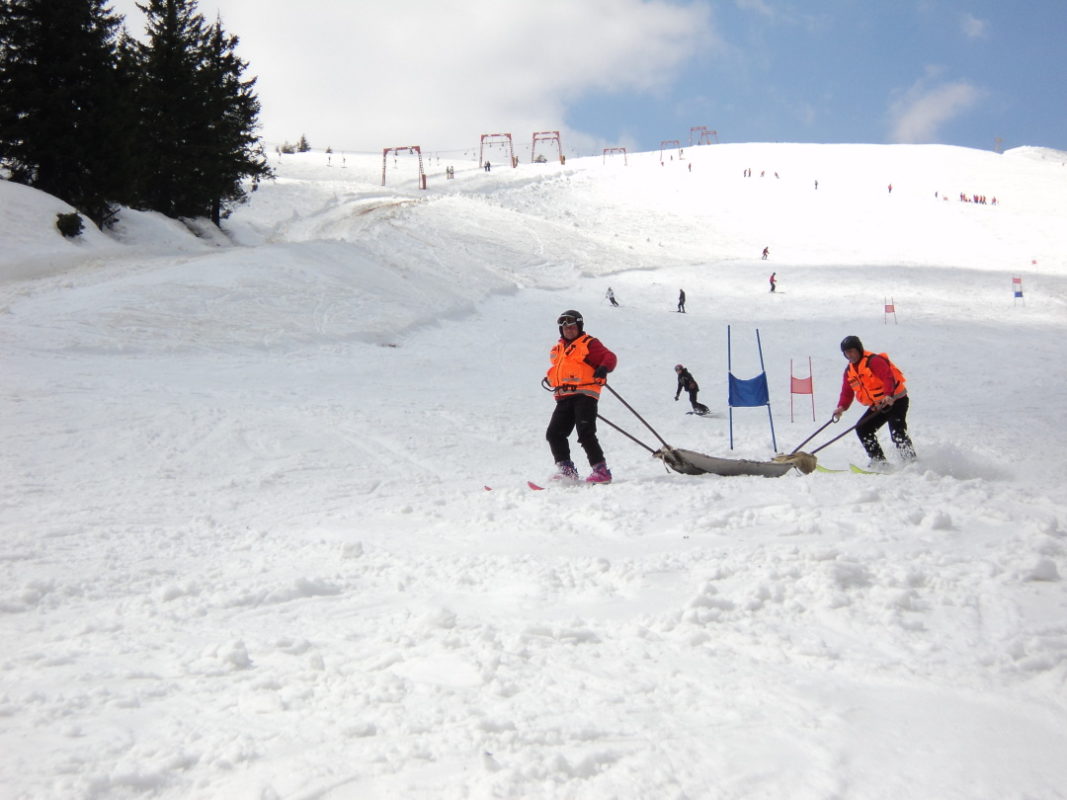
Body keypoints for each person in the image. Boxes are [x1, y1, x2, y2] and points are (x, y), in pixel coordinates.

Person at [544, 310, 617, 483]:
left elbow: (609, 357)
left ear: (579, 327)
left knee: (585, 433)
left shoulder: (589, 343)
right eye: (565, 328)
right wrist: (550, 378)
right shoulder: (559, 348)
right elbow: (560, 368)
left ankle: (601, 471)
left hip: (585, 394)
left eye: (572, 327)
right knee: (554, 433)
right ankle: (567, 471)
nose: (568, 330)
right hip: (564, 397)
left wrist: (603, 368)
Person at [832, 335, 916, 466]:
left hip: (896, 400)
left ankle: (911, 461)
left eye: (851, 351)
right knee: (862, 428)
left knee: (897, 431)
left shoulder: (874, 361)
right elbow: (847, 392)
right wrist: (841, 407)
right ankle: (879, 461)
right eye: (846, 353)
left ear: (859, 349)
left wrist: (888, 395)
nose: (849, 355)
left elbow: (888, 378)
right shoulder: (849, 371)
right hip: (880, 405)